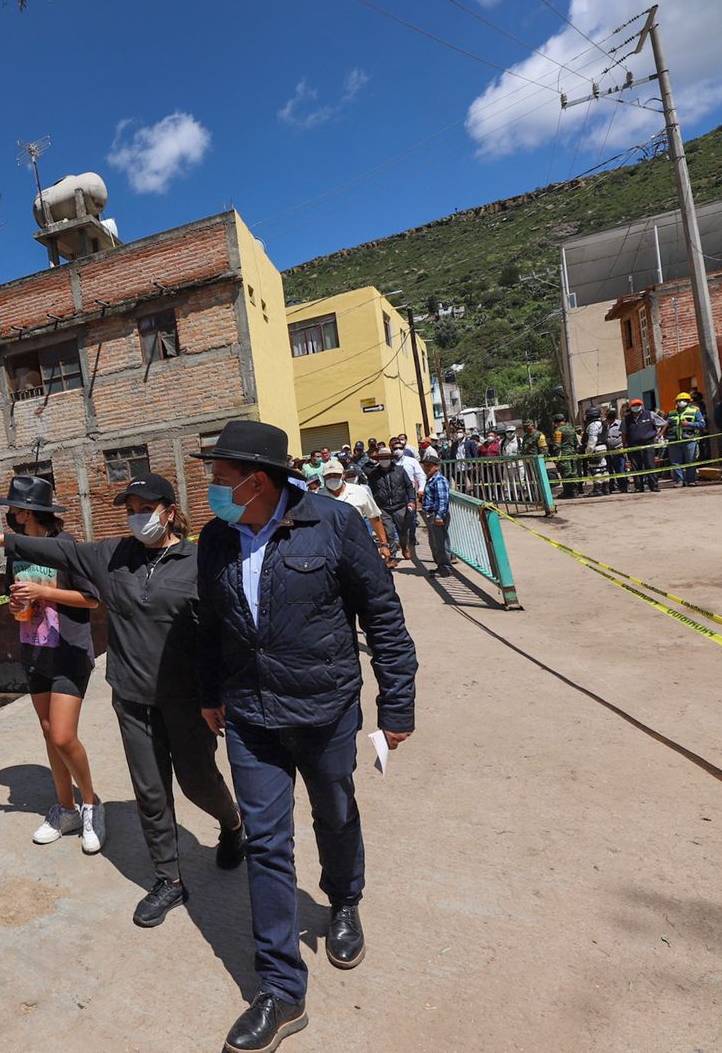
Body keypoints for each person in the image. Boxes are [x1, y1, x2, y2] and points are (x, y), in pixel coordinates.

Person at [192, 420, 417, 1053]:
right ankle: (282, 990)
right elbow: (211, 626)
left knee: (335, 811)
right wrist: (211, 694)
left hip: (324, 707)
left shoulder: (334, 524)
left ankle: (344, 901)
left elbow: (383, 616)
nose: (211, 488)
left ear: (255, 481)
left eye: (220, 478)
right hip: (250, 716)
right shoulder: (215, 539)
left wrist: (395, 702)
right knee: (267, 844)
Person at [0, 473, 244, 929]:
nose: (137, 517)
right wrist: (7, 539)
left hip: (186, 698)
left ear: (170, 511)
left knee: (198, 782)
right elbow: (63, 550)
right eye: (130, 508)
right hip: (132, 697)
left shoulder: (198, 561)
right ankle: (168, 879)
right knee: (150, 792)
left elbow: (221, 632)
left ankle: (232, 824)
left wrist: (219, 692)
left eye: (145, 507)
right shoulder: (113, 555)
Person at [0, 475, 106, 852]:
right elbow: (16, 598)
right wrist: (18, 606)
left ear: (26, 511)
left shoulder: (66, 545)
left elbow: (91, 599)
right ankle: (66, 808)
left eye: (11, 508)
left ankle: (91, 802)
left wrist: (45, 591)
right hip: (34, 650)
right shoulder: (16, 551)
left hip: (69, 651)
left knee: (62, 735)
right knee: (47, 732)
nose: (8, 514)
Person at [319, 459, 392, 561]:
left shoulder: (359, 491)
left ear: (343, 474)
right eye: (329, 475)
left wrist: (384, 543)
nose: (332, 478)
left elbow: (374, 518)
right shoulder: (318, 497)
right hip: (331, 548)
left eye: (336, 475)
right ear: (323, 477)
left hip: (358, 544)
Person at [365, 445, 416, 568]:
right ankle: (392, 557)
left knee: (403, 532)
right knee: (389, 533)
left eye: (387, 457)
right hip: (383, 508)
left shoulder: (400, 470)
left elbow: (409, 486)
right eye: (382, 457)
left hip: (400, 506)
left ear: (391, 458)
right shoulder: (373, 474)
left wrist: (412, 500)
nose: (384, 459)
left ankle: (404, 547)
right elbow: (370, 490)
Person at [621, 399, 664, 493]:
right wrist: (624, 447)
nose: (636, 407)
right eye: (634, 405)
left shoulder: (650, 414)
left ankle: (654, 486)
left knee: (650, 465)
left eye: (638, 405)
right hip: (633, 445)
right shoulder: (626, 419)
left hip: (648, 444)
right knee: (636, 467)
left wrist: (659, 435)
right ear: (631, 407)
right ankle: (639, 487)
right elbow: (624, 433)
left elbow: (664, 423)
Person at [420, 456, 453, 577]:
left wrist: (439, 516)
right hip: (431, 514)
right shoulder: (431, 479)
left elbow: (443, 500)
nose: (427, 468)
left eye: (430, 465)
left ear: (437, 467)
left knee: (441, 543)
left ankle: (445, 568)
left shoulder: (439, 480)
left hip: (436, 514)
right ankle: (440, 566)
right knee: (435, 542)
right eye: (425, 465)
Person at [666, 392, 706, 487]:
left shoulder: (695, 411)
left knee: (690, 461)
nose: (681, 402)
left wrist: (689, 424)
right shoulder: (671, 413)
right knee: (675, 463)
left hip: (689, 440)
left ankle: (691, 480)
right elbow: (665, 426)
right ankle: (679, 481)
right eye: (679, 401)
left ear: (688, 402)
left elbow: (702, 424)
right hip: (674, 441)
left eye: (684, 400)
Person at [550, 414, 580, 499]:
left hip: (563, 455)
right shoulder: (571, 429)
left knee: (565, 473)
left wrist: (555, 458)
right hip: (573, 454)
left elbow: (557, 445)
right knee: (574, 473)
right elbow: (575, 442)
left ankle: (567, 492)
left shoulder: (558, 431)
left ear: (556, 422)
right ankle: (575, 491)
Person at [581, 407, 608, 497]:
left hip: (595, 448)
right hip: (602, 447)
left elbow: (592, 438)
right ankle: (605, 487)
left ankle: (597, 489)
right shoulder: (602, 423)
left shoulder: (593, 425)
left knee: (595, 468)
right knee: (603, 467)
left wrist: (588, 452)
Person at [604, 408, 627, 493]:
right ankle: (611, 487)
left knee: (620, 469)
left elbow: (624, 436)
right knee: (609, 470)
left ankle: (623, 487)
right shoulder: (604, 425)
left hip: (618, 450)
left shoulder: (620, 424)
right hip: (607, 451)